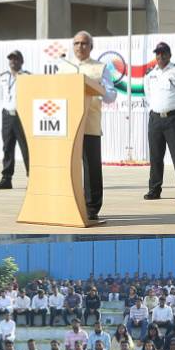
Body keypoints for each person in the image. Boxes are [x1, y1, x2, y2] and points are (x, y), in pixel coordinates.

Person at [52, 32, 110, 216]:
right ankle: (68, 203)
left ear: (91, 47)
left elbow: (110, 95)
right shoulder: (64, 67)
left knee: (91, 168)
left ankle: (92, 207)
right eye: (76, 43)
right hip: (67, 126)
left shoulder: (100, 68)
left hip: (89, 124)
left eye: (84, 44)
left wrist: (96, 88)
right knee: (66, 166)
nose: (80, 47)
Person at [141, 42, 175, 202]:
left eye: (164, 53)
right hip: (156, 119)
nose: (160, 56)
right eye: (158, 54)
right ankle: (154, 189)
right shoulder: (150, 73)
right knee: (155, 156)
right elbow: (147, 93)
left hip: (174, 119)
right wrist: (158, 108)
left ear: (169, 55)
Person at [0, 51, 32, 190]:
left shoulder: (27, 76)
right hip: (7, 115)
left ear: (21, 61)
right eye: (10, 59)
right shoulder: (3, 77)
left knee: (26, 148)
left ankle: (32, 178)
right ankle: (6, 178)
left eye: (16, 59)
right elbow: (0, 96)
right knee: (7, 147)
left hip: (22, 115)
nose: (13, 62)